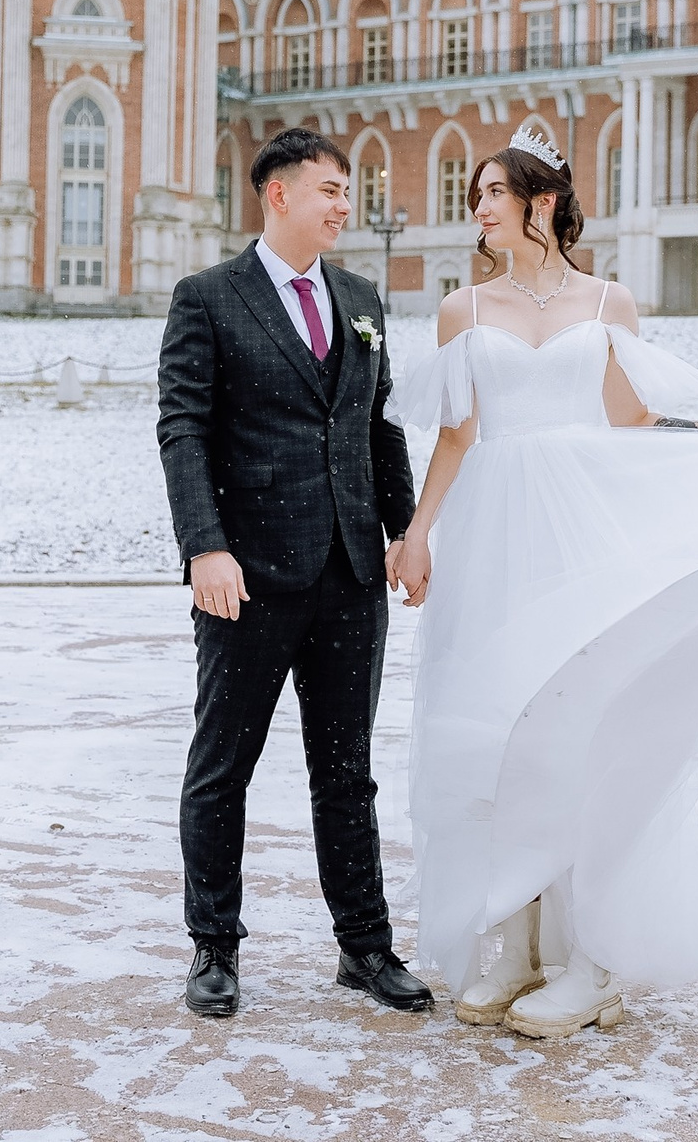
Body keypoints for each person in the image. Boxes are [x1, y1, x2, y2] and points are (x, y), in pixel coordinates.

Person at [387, 125, 698, 1040]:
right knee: (496, 735)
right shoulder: (461, 311)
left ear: (539, 203)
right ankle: (511, 946)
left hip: (581, 533)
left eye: (489, 195)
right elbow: (456, 437)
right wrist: (418, 532)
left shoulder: (609, 303)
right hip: (493, 537)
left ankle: (589, 961)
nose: (475, 211)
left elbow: (629, 419)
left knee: (579, 731)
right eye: (473, 196)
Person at [155, 128, 430, 1019]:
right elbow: (184, 429)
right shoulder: (208, 298)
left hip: (351, 573)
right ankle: (214, 948)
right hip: (247, 576)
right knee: (222, 767)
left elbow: (376, 426)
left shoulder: (360, 298)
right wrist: (205, 545)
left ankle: (365, 945)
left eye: (347, 190)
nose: (344, 204)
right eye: (330, 189)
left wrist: (404, 528)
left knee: (347, 771)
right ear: (278, 196)